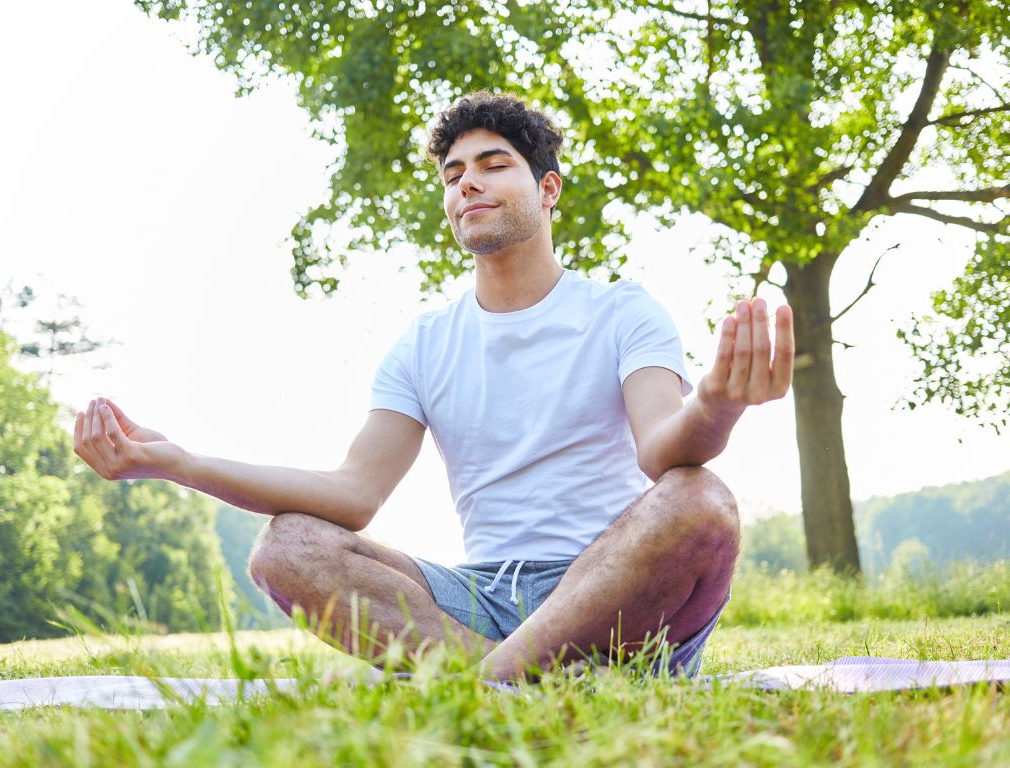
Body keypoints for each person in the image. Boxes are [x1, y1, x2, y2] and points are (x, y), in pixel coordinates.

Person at [74, 92, 794, 682]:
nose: (467, 183)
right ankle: (522, 679)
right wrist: (178, 462)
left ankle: (484, 684)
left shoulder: (622, 311)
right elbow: (353, 494)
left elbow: (663, 451)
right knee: (285, 548)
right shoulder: (422, 345)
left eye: (493, 165)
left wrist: (716, 404)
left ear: (548, 190)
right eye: (453, 175)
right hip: (476, 600)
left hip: (612, 594)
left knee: (699, 498)